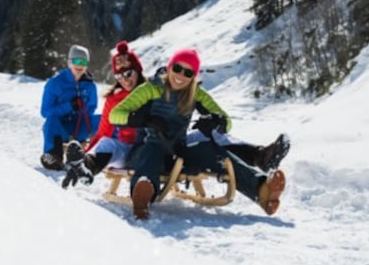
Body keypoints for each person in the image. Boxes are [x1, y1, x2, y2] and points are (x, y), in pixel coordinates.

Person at [108, 48, 288, 220]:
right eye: (177, 68)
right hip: (150, 145)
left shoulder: (196, 94)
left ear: (193, 77)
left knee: (210, 149)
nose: (180, 76)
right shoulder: (150, 89)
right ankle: (143, 193)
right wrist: (144, 119)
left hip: (178, 149)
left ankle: (262, 191)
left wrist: (216, 121)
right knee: (151, 154)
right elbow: (114, 115)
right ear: (170, 67)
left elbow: (227, 121)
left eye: (188, 73)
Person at [62, 40, 147, 188]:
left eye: (128, 73)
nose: (125, 79)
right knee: (107, 143)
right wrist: (85, 155)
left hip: (148, 149)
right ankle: (87, 167)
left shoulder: (149, 92)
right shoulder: (113, 99)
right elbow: (103, 132)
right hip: (126, 150)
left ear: (138, 70)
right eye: (119, 76)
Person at [39, 45, 98, 171]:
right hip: (60, 128)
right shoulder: (55, 83)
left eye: (84, 62)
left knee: (104, 119)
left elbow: (92, 108)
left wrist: (82, 109)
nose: (80, 65)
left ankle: (105, 156)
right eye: (76, 61)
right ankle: (53, 156)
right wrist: (69, 106)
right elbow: (45, 111)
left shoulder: (90, 86)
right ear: (69, 62)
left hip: (79, 126)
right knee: (51, 120)